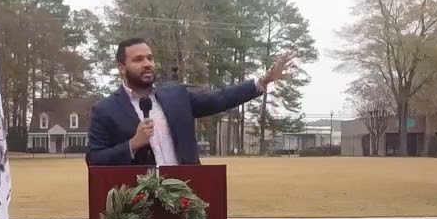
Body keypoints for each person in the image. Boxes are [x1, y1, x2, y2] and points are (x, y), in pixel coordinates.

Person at [86, 38, 294, 166]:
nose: (147, 64)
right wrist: (132, 145)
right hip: (138, 203)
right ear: (122, 67)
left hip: (186, 195)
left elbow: (219, 98)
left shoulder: (176, 95)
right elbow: (95, 159)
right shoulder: (105, 110)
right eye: (139, 59)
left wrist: (261, 82)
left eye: (150, 58)